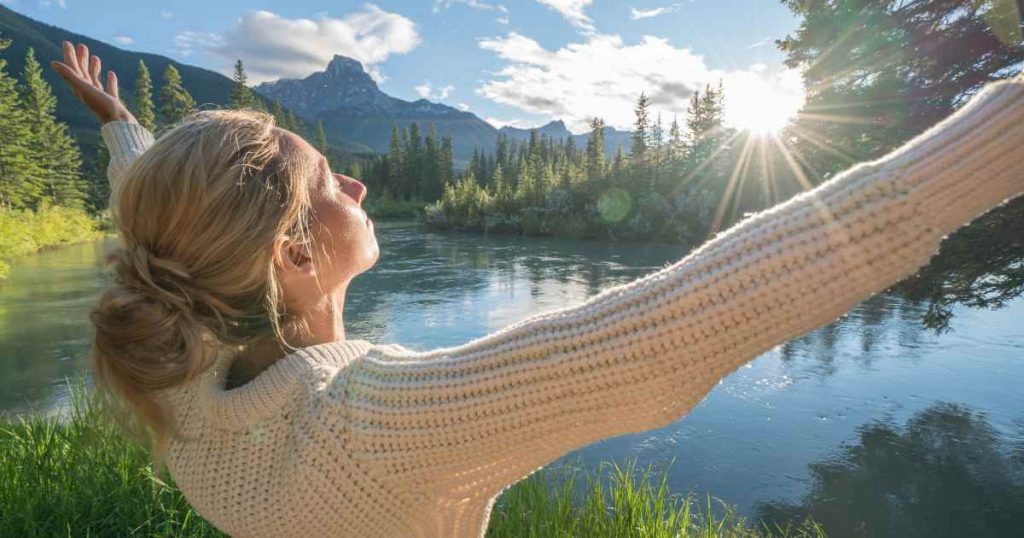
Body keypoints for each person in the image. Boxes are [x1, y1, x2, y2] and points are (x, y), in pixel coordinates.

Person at [52, 40, 1023, 538]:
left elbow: (162, 229)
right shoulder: (371, 422)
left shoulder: (184, 383)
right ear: (293, 257)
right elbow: (668, 331)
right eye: (327, 185)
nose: (356, 183)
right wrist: (1000, 130)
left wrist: (122, 130)